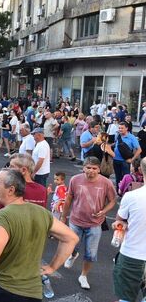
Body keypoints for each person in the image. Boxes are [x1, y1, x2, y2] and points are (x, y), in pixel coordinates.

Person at [0, 169, 79, 302]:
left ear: (11, 190)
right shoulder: (41, 212)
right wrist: (52, 267)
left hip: (3, 290)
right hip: (33, 293)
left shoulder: (4, 215)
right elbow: (72, 238)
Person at [60, 156, 117, 290]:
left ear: (99, 169)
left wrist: (104, 211)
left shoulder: (106, 183)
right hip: (75, 220)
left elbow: (113, 201)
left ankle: (83, 276)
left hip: (95, 223)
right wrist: (63, 217)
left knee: (91, 254)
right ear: (84, 168)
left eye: (94, 168)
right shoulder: (75, 179)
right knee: (70, 246)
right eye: (88, 167)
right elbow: (68, 199)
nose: (91, 171)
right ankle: (73, 255)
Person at [112, 157, 146, 302]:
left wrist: (120, 224)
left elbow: (119, 221)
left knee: (126, 299)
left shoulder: (131, 197)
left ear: (141, 170)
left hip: (132, 255)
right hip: (134, 256)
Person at [113, 121, 141, 188]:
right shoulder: (117, 135)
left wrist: (132, 160)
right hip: (116, 160)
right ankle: (119, 193)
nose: (120, 129)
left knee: (126, 179)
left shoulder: (132, 137)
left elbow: (139, 150)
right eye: (119, 128)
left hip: (125, 161)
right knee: (118, 178)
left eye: (122, 128)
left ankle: (125, 194)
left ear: (127, 128)